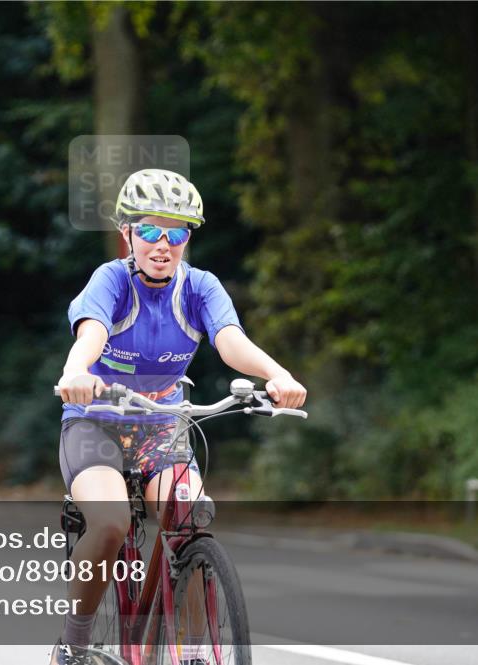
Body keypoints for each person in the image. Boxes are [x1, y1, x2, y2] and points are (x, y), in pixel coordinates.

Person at [51, 169, 307, 664]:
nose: (163, 243)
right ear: (127, 233)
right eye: (150, 230)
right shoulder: (111, 281)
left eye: (177, 232)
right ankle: (75, 644)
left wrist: (278, 375)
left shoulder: (200, 288)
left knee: (188, 521)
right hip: (96, 423)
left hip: (162, 428)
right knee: (108, 525)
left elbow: (230, 341)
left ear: (188, 238)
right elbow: (91, 333)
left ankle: (190, 652)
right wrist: (76, 369)